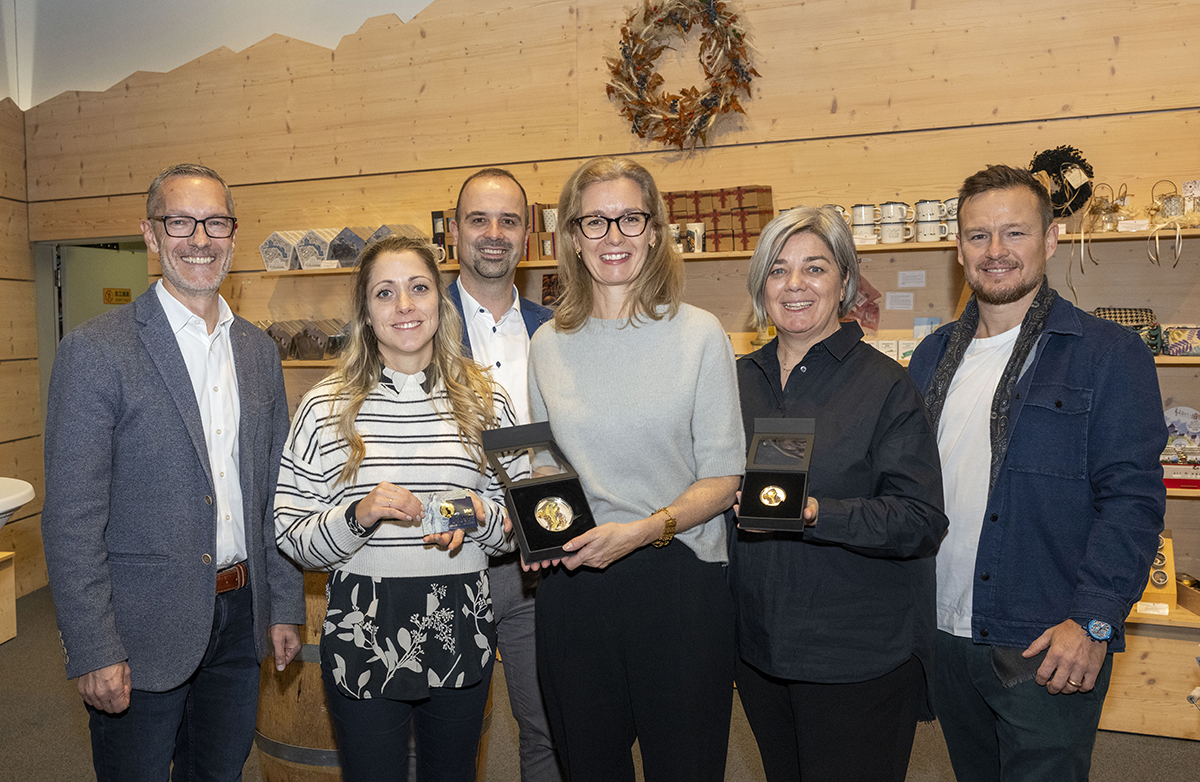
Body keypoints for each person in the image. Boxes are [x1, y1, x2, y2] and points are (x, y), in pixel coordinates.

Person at [41, 163, 305, 781]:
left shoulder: (260, 353)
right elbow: (72, 518)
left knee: (218, 774)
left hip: (241, 619)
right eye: (180, 221)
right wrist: (94, 647)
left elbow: (274, 490)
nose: (200, 238)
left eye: (215, 222)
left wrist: (283, 603)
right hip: (139, 630)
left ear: (233, 234)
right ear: (151, 234)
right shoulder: (97, 351)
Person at [907, 164, 1166, 781]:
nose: (995, 252)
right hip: (944, 635)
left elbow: (1132, 500)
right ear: (959, 248)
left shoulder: (1108, 354)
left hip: (1045, 639)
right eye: (977, 236)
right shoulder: (931, 355)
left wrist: (1094, 621)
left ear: (1050, 240)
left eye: (1014, 233)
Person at [525, 156, 745, 782]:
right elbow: (544, 468)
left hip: (676, 580)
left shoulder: (701, 335)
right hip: (576, 586)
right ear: (571, 237)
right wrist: (534, 528)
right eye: (594, 221)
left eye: (629, 219)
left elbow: (724, 478)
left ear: (655, 231)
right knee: (588, 765)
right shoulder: (547, 345)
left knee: (686, 766)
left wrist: (644, 529)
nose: (613, 236)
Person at [274, 235, 522, 782]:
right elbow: (290, 533)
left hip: (460, 617)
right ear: (365, 312)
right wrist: (358, 515)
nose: (404, 306)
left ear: (440, 300)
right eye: (385, 293)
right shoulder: (324, 406)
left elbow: (518, 520)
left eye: (418, 289)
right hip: (362, 620)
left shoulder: (488, 400)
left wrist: (476, 516)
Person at [729, 206, 948, 782]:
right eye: (778, 270)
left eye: (815, 269)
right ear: (761, 286)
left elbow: (921, 519)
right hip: (759, 649)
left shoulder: (885, 386)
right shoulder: (736, 381)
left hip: (856, 657)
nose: (795, 285)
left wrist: (816, 513)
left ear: (845, 282)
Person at [448, 168, 561, 782]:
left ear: (527, 235)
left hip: (535, 565)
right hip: (444, 556)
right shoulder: (412, 320)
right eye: (479, 219)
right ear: (455, 232)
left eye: (509, 220)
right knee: (445, 734)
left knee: (548, 726)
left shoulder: (560, 330)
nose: (494, 234)